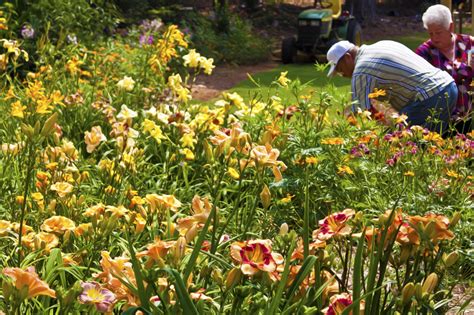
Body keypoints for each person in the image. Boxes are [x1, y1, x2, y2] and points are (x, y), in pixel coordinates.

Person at [326, 40, 458, 133]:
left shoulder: (361, 70)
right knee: (431, 142)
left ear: (348, 57)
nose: (341, 74)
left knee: (398, 142)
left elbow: (361, 115)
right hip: (448, 86)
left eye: (339, 69)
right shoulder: (382, 44)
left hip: (430, 96)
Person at [415, 4, 473, 133]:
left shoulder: (469, 43)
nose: (434, 38)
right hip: (440, 122)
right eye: (431, 33)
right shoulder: (424, 53)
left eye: (439, 32)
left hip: (471, 118)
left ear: (450, 27)